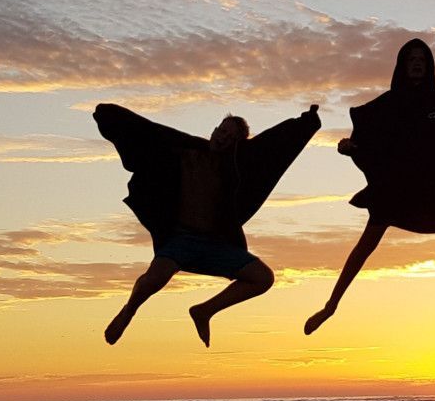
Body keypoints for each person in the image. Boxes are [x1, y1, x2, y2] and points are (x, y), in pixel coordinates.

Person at [304, 38, 435, 338]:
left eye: (422, 59)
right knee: (367, 242)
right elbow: (368, 139)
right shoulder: (388, 103)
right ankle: (331, 305)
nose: (417, 63)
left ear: (429, 66)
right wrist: (350, 148)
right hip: (399, 182)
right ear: (403, 66)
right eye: (411, 59)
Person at [94, 102, 320, 347]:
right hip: (179, 239)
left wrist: (306, 122)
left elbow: (273, 147)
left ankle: (204, 311)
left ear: (236, 145)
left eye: (231, 137)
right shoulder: (185, 149)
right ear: (214, 130)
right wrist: (109, 116)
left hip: (215, 245)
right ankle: (129, 311)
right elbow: (149, 132)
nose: (223, 138)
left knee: (263, 278)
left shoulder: (233, 169)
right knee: (153, 280)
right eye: (222, 131)